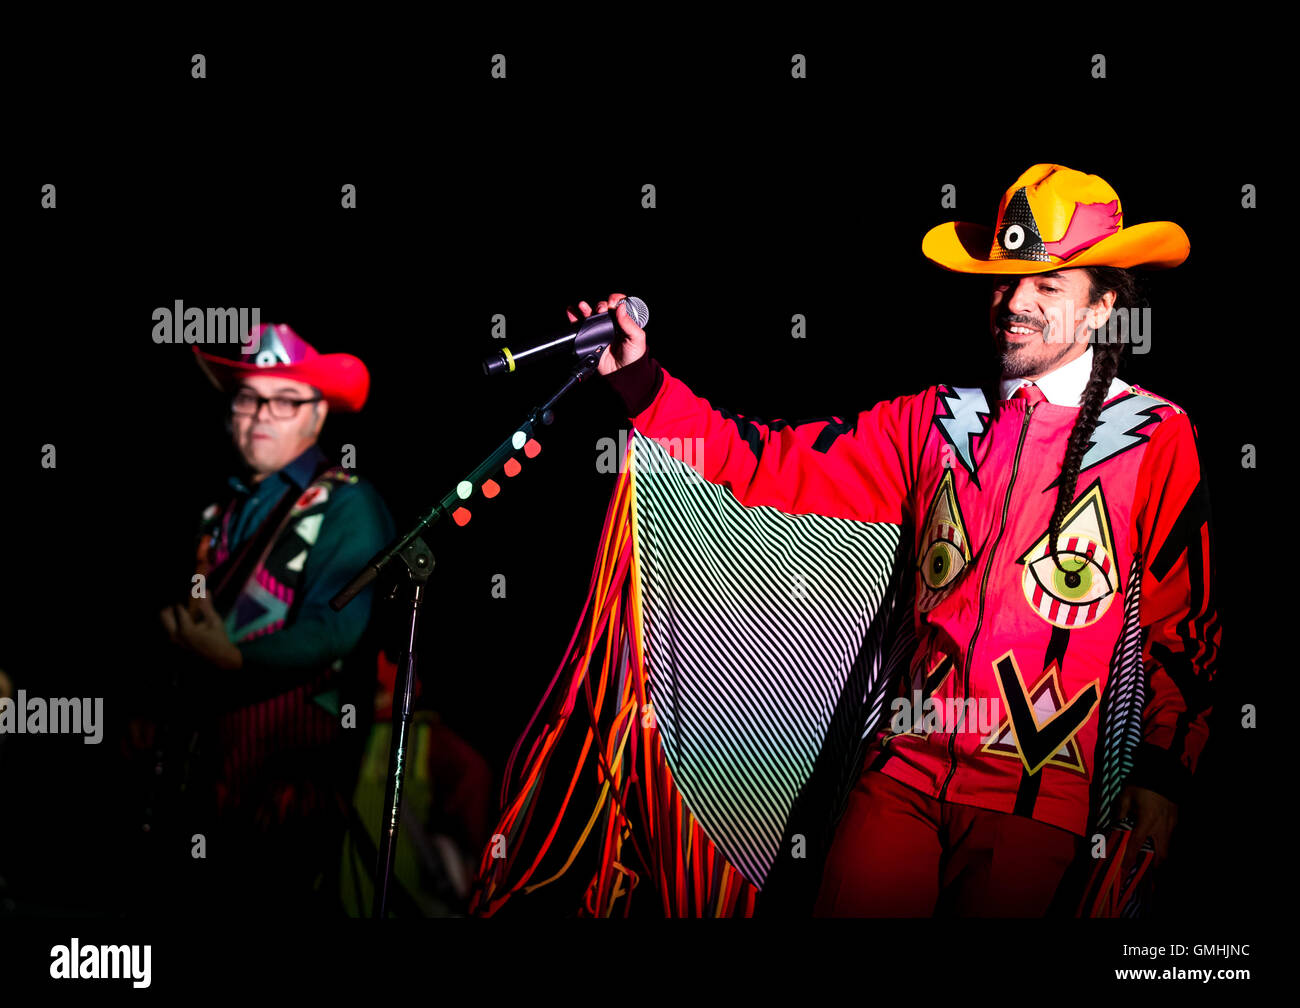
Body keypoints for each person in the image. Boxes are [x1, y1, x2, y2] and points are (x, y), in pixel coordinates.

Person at [577, 164, 1219, 916]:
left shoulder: (1158, 434)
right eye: (1004, 281)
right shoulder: (934, 418)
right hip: (902, 771)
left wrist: (1163, 774)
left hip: (1041, 797)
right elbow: (763, 461)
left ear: (1105, 306)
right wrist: (642, 383)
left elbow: (1183, 631)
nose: (1014, 302)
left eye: (1049, 286)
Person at [156, 322, 395, 915]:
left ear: (317, 416)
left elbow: (339, 628)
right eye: (248, 396)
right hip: (208, 764)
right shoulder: (219, 507)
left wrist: (236, 657)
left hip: (292, 773)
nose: (263, 412)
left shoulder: (346, 501)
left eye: (285, 399)